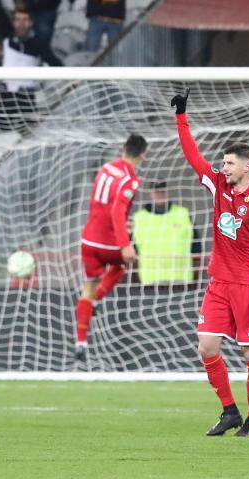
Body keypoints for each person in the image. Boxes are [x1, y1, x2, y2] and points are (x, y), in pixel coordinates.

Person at [172, 89, 249, 438]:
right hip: (219, 283)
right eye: (223, 162)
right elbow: (193, 156)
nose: (223, 167)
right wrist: (182, 117)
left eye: (230, 163)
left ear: (247, 167)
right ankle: (230, 411)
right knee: (206, 345)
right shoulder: (218, 186)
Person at [75, 134, 147, 361]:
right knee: (126, 262)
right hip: (110, 242)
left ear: (122, 148)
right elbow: (116, 210)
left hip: (88, 241)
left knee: (86, 290)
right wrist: (125, 244)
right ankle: (98, 299)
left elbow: (101, 204)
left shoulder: (105, 168)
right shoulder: (131, 180)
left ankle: (80, 343)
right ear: (142, 155)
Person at [132, 181, 201, 285]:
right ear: (150, 193)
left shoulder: (183, 214)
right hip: (149, 282)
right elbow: (132, 253)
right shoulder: (138, 218)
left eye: (163, 191)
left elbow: (196, 248)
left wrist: (197, 278)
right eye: (157, 192)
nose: (160, 194)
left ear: (168, 192)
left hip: (182, 281)